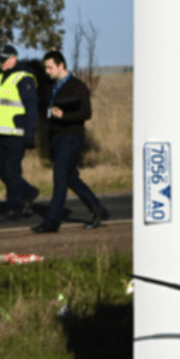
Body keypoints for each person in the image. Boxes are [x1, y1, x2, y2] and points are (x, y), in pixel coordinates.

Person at [32, 50, 109, 233]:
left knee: (59, 179)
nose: (47, 71)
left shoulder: (77, 86)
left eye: (50, 67)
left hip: (72, 137)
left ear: (61, 66)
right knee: (71, 179)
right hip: (57, 139)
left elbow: (86, 113)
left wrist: (64, 115)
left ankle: (52, 222)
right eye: (46, 68)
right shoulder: (52, 87)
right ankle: (97, 209)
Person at [0, 44, 40, 220]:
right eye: (0, 60)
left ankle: (14, 208)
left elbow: (32, 108)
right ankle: (28, 192)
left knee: (12, 169)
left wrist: (29, 133)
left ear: (14, 58)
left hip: (16, 132)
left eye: (5, 59)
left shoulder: (24, 78)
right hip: (0, 132)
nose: (2, 63)